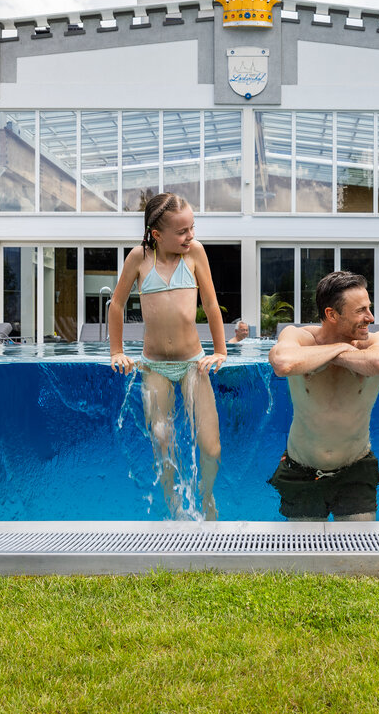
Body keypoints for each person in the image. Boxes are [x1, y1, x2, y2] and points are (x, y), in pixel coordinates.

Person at [108, 193, 228, 519]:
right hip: (155, 366)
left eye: (192, 228)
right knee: (163, 443)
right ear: (157, 235)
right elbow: (116, 305)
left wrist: (220, 350)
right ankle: (173, 505)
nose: (190, 236)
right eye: (182, 231)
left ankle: (206, 495)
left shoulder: (195, 254)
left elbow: (212, 305)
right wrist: (116, 351)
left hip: (192, 363)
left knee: (211, 446)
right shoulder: (138, 258)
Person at [266, 271, 379, 521]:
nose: (370, 318)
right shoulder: (299, 336)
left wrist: (328, 355)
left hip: (356, 468)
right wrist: (340, 347)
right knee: (304, 555)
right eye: (361, 311)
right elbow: (283, 363)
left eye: (369, 308)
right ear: (331, 314)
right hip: (301, 469)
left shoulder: (376, 341)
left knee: (357, 553)